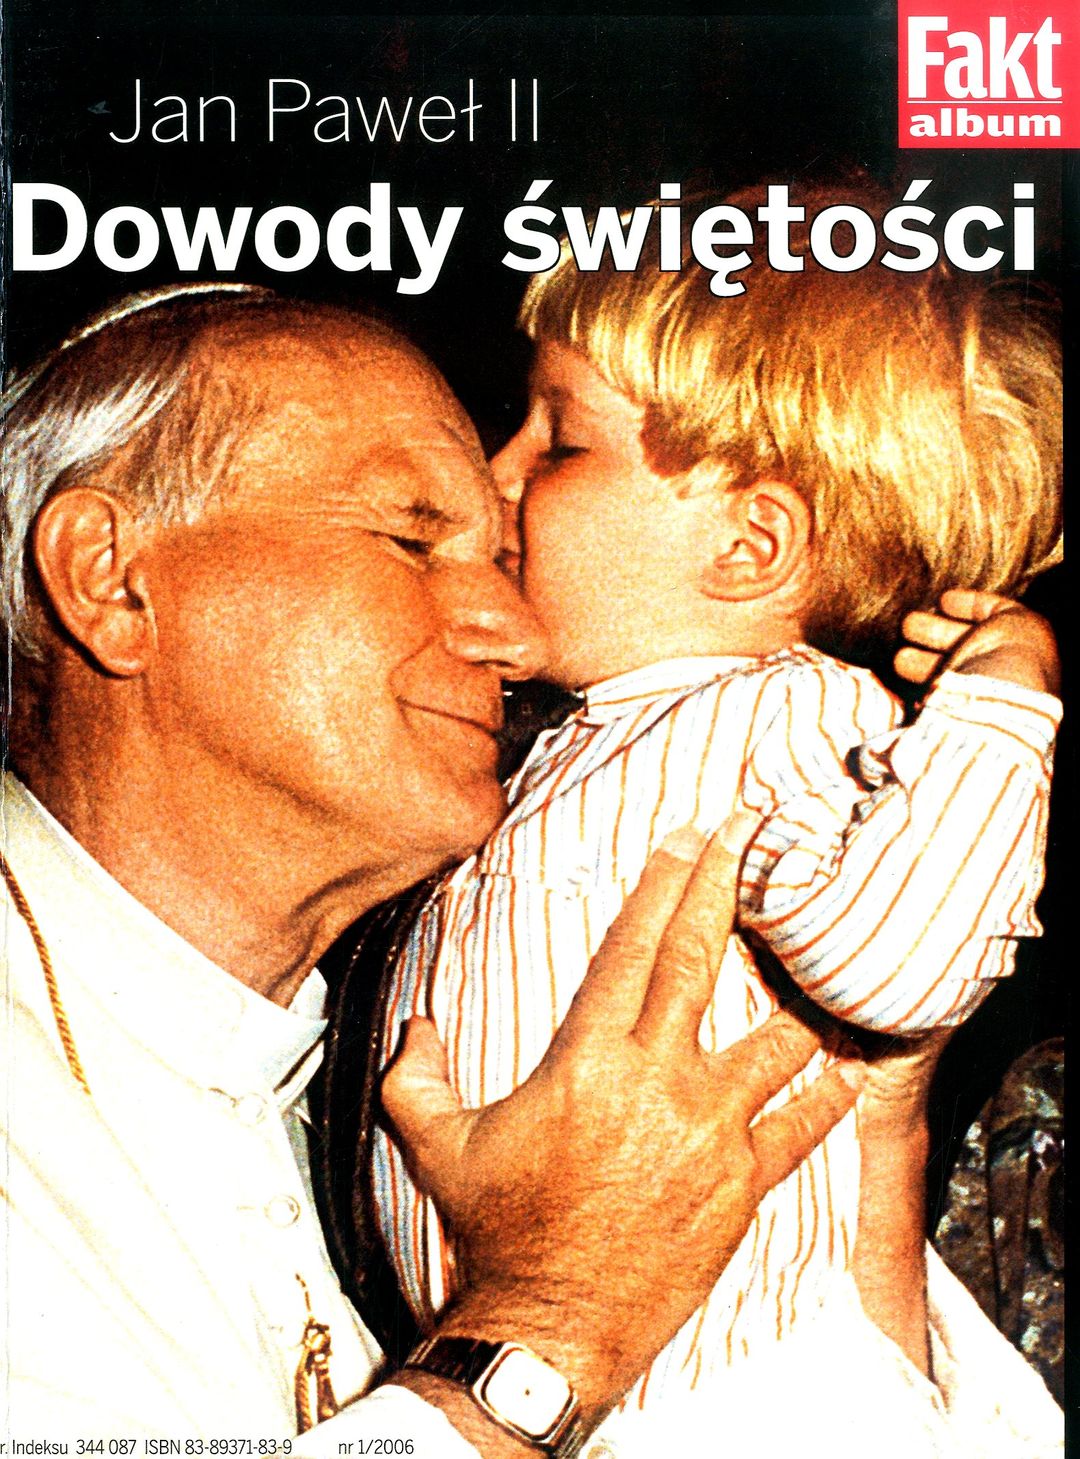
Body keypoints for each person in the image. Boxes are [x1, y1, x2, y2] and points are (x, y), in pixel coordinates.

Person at [0, 283, 869, 1455]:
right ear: (111, 578)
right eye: (412, 540)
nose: (516, 632)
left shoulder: (385, 1045)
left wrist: (886, 1130)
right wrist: (557, 1312)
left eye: (502, 558)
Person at [372, 192, 1064, 1455]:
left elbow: (901, 967)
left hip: (739, 1409)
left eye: (559, 441)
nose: (497, 471)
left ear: (752, 542)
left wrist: (1001, 705)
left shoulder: (780, 720)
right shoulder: (574, 739)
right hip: (552, 1390)